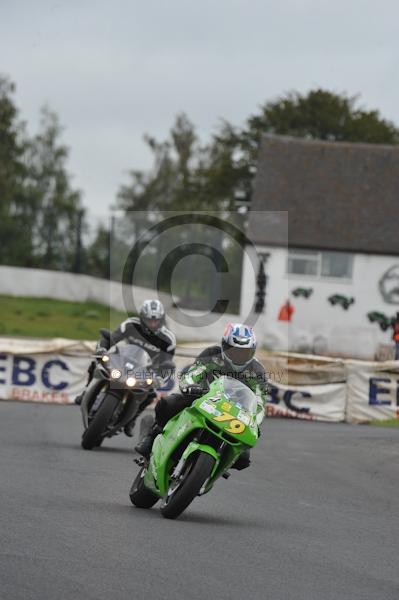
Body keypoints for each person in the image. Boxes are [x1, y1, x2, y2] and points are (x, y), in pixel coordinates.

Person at [135, 323, 268, 469]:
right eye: (234, 351)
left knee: (243, 458)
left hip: (233, 413)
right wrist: (190, 386)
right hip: (202, 398)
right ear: (224, 346)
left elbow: (260, 402)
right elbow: (193, 373)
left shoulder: (257, 371)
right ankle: (153, 434)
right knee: (167, 404)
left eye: (245, 352)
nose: (239, 356)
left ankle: (217, 466)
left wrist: (255, 420)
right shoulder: (212, 354)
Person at [75, 299, 176, 437]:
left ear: (161, 320)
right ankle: (85, 391)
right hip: (121, 361)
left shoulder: (168, 339)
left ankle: (131, 420)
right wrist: (102, 349)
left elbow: (167, 363)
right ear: (142, 317)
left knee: (150, 393)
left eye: (156, 320)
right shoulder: (131, 324)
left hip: (144, 370)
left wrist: (159, 377)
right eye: (149, 320)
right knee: (96, 364)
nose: (152, 323)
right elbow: (112, 338)